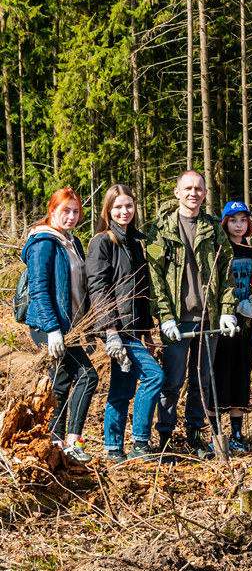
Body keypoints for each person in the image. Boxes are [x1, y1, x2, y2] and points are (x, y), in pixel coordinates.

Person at [147, 170, 238, 460]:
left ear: (205, 194)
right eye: (187, 188)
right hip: (177, 320)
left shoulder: (213, 228)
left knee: (202, 382)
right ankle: (164, 435)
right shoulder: (161, 228)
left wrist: (226, 311)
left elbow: (226, 273)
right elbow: (155, 276)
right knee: (172, 381)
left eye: (198, 188)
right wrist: (165, 316)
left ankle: (195, 435)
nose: (193, 193)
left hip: (208, 319)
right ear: (177, 192)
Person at [86, 185, 164, 463]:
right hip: (118, 329)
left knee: (121, 389)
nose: (124, 211)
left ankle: (112, 447)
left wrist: (148, 333)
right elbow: (98, 287)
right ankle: (140, 443)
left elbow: (140, 293)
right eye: (118, 207)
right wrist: (110, 331)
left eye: (129, 206)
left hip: (134, 329)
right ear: (108, 210)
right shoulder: (102, 242)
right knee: (154, 377)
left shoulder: (134, 242)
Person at [21, 187, 98, 463]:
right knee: (88, 377)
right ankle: (72, 442)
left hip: (71, 326)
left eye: (76, 212)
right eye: (65, 210)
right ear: (52, 210)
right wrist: (53, 329)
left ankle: (55, 442)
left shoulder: (72, 242)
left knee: (62, 382)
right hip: (48, 326)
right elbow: (40, 290)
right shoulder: (44, 242)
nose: (71, 216)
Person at [208, 201, 252, 453]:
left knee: (242, 375)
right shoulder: (218, 250)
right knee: (219, 375)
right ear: (225, 222)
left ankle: (238, 434)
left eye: (243, 220)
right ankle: (215, 434)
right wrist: (227, 308)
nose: (238, 225)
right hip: (222, 322)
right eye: (233, 220)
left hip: (247, 324)